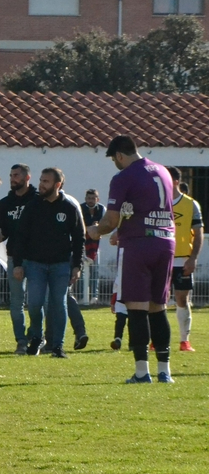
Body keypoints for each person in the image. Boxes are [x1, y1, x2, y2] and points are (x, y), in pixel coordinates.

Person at [87, 135, 176, 383]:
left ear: (119, 156)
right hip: (165, 241)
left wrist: (96, 230)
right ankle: (165, 371)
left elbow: (110, 220)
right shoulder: (163, 171)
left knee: (137, 308)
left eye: (114, 160)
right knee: (158, 307)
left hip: (138, 245)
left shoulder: (123, 177)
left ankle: (141, 372)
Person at [14, 168, 85, 358]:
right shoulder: (32, 206)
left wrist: (77, 266)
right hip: (35, 264)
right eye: (41, 180)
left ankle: (57, 346)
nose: (41, 185)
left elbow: (79, 238)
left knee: (59, 304)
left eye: (46, 181)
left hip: (61, 265)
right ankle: (37, 337)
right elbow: (20, 236)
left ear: (57, 185)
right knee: (35, 304)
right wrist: (18, 263)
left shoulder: (69, 207)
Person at [0, 164, 38, 354]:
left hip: (37, 257)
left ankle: (36, 336)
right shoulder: (5, 203)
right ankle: (21, 340)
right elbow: (2, 232)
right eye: (11, 175)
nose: (13, 179)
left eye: (17, 175)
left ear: (27, 177)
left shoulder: (38, 200)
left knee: (37, 301)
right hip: (14, 256)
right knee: (16, 302)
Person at [166, 166, 202, 352]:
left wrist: (193, 258)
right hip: (161, 259)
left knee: (182, 299)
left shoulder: (191, 204)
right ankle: (157, 340)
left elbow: (198, 233)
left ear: (176, 181)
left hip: (182, 259)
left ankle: (184, 341)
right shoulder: (157, 203)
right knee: (157, 300)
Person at [80, 189, 106, 302]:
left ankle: (94, 296)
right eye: (89, 198)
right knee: (81, 270)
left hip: (95, 245)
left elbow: (105, 225)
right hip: (82, 244)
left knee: (95, 270)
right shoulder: (80, 208)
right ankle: (81, 296)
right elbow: (77, 225)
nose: (90, 200)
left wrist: (98, 227)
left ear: (97, 199)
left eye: (93, 198)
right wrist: (90, 228)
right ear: (85, 199)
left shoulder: (102, 209)